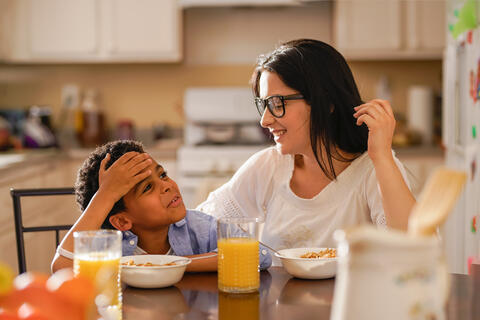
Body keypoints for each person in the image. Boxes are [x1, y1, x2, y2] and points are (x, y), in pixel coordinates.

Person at [196, 39, 416, 263]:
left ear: (327, 102)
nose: (265, 120)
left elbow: (412, 252)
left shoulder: (374, 170)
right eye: (264, 105)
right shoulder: (268, 166)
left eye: (278, 103)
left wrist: (382, 156)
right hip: (275, 299)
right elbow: (202, 227)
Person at [51, 140, 271, 272]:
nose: (166, 186)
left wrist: (173, 265)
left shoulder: (197, 226)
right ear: (122, 221)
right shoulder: (109, 249)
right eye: (147, 188)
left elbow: (259, 254)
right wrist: (105, 195)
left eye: (163, 175)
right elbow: (62, 269)